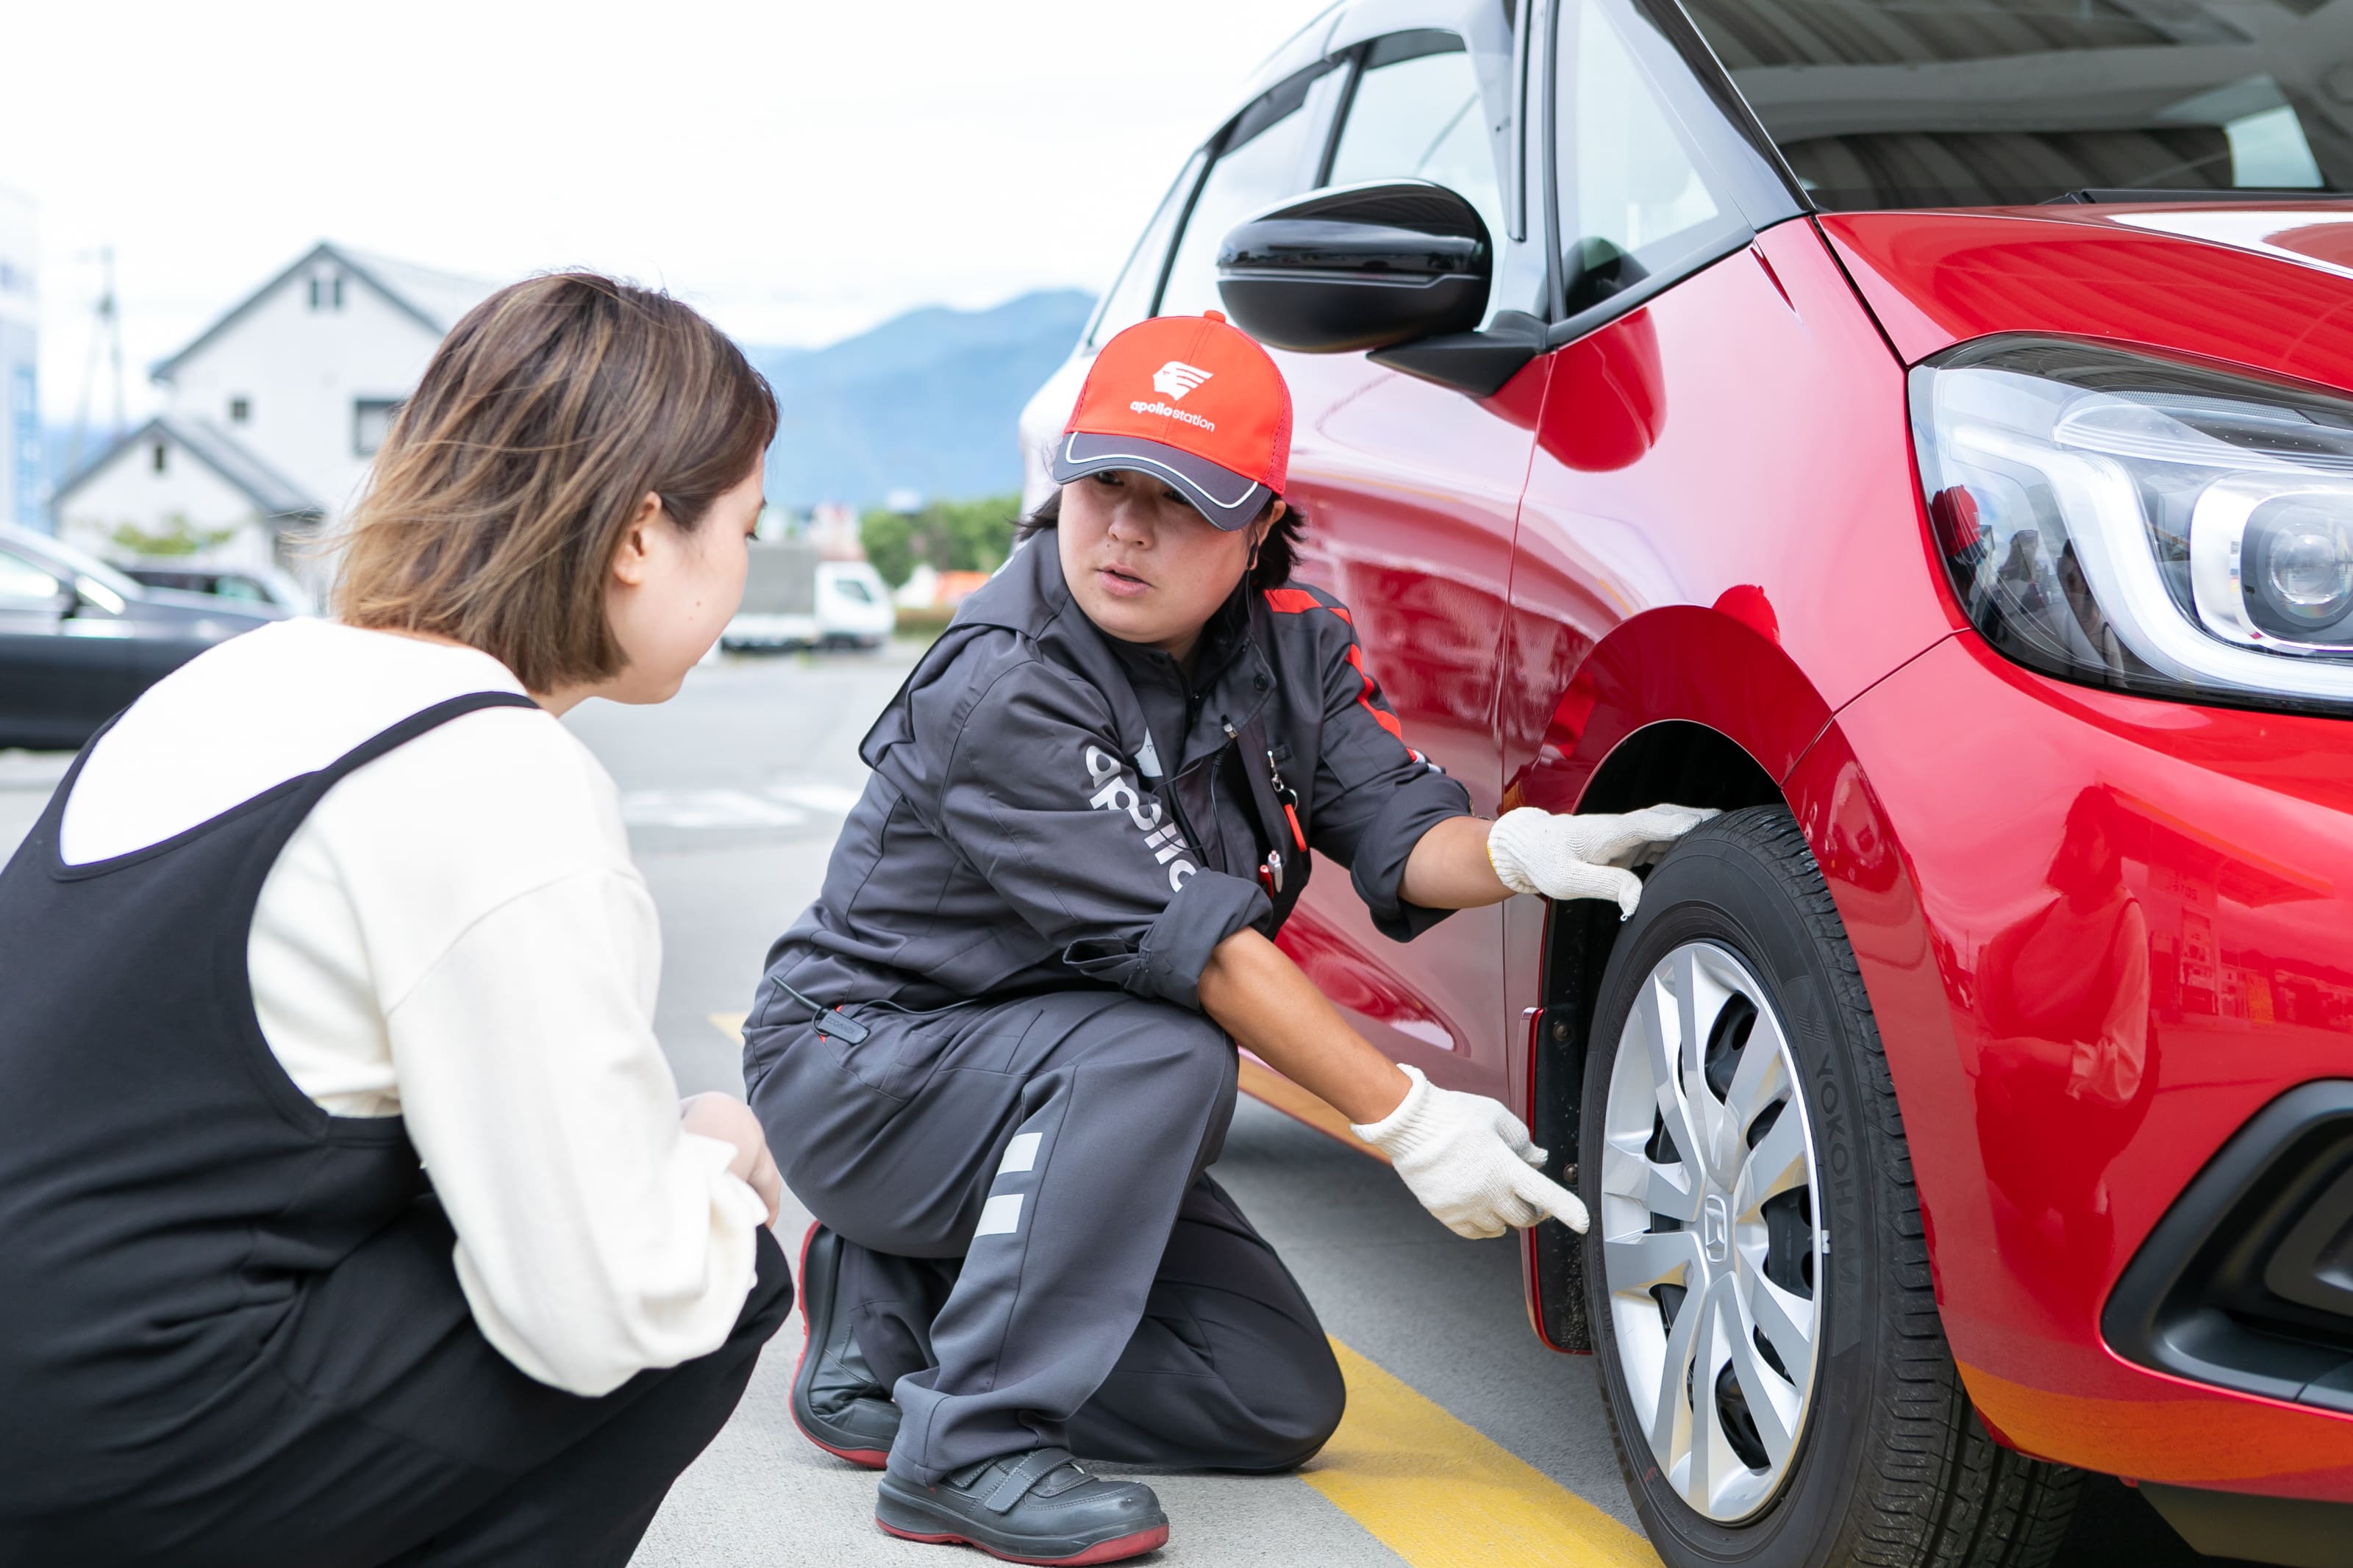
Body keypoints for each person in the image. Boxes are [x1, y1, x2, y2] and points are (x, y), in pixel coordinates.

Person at [743, 310, 1710, 1565]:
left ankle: (894, 1303)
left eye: (1180, 501)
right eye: (1105, 488)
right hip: (867, 1071)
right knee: (1170, 1052)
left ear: (1258, 526)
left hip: (1045, 1081)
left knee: (1269, 1396)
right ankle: (967, 1443)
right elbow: (1208, 955)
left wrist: (1530, 852)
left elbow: (1398, 828)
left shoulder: (1285, 646)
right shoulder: (1009, 686)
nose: (1127, 530)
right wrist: (1408, 1120)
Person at [0, 273, 793, 1568]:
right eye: (747, 528)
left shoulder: (236, 677)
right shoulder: (491, 764)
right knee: (709, 1269)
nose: (747, 571)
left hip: (47, 1382)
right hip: (113, 1435)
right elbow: (599, 1302)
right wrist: (711, 1149)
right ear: (644, 534)